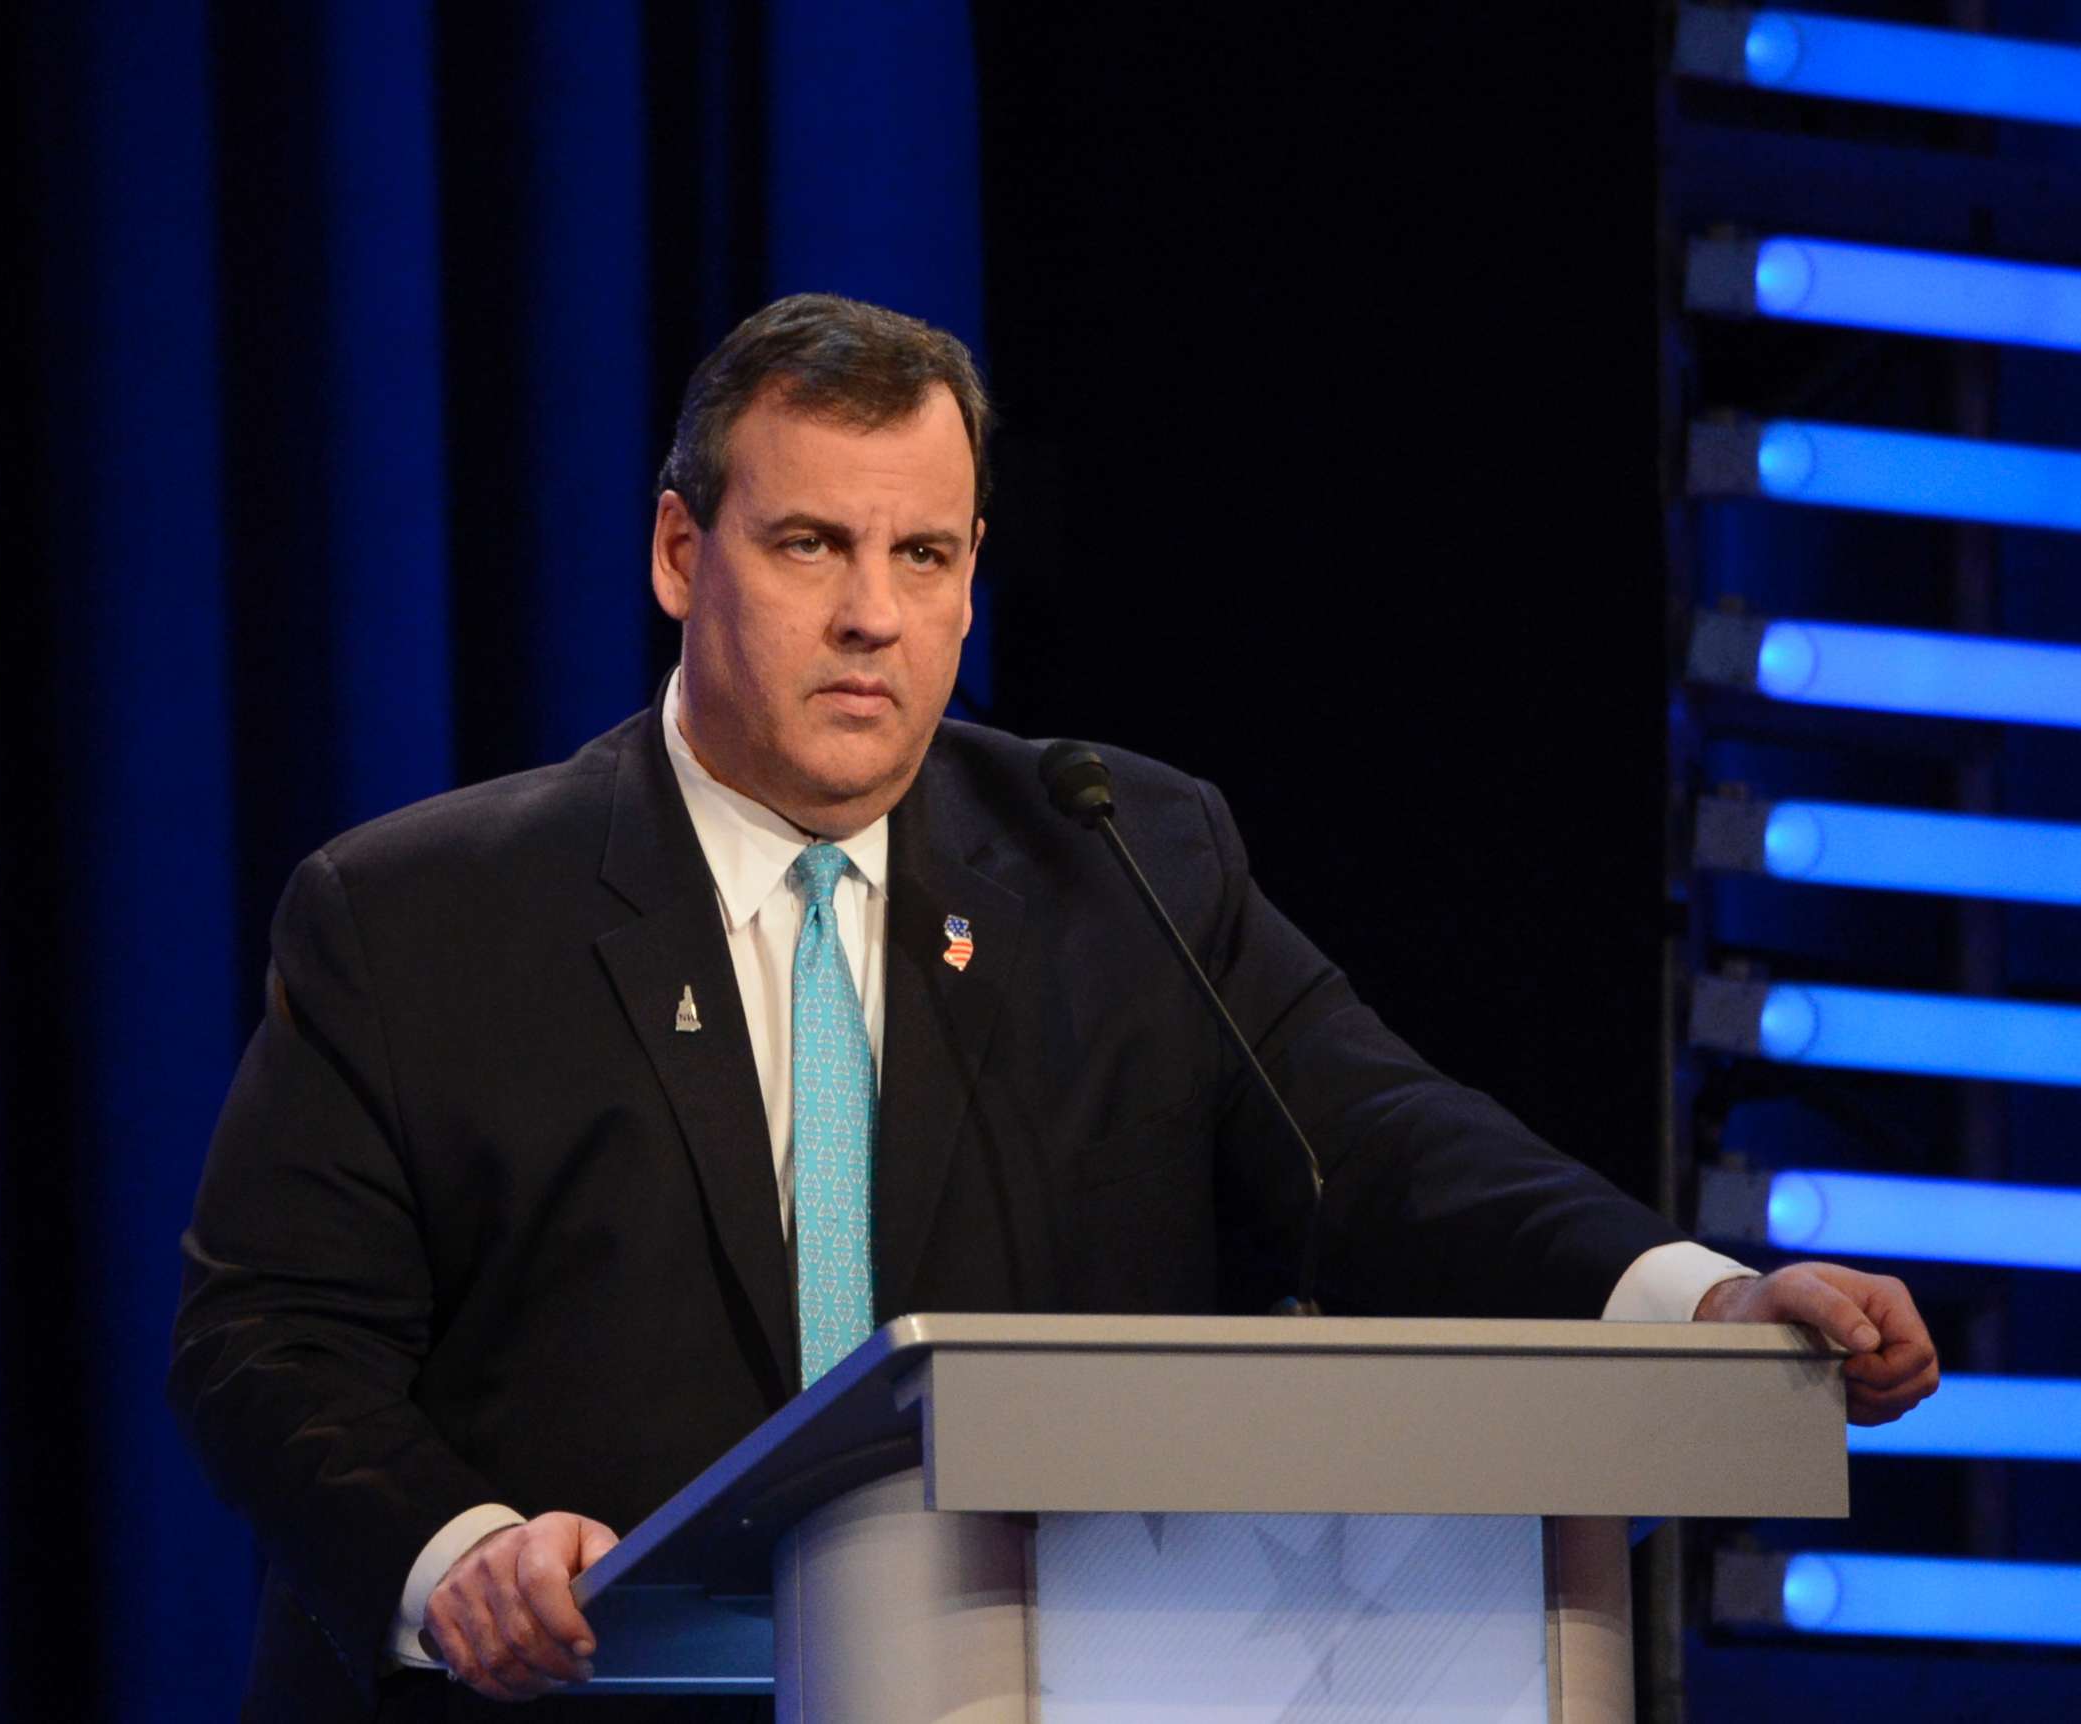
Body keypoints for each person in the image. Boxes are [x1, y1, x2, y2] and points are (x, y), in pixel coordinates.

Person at [168, 294, 1938, 1721]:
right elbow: (270, 1342)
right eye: (809, 547)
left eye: (925, 559)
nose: (874, 618)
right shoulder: (422, 914)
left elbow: (1381, 1144)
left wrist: (1699, 1299)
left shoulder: (1120, 858)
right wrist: (455, 1551)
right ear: (677, 555)